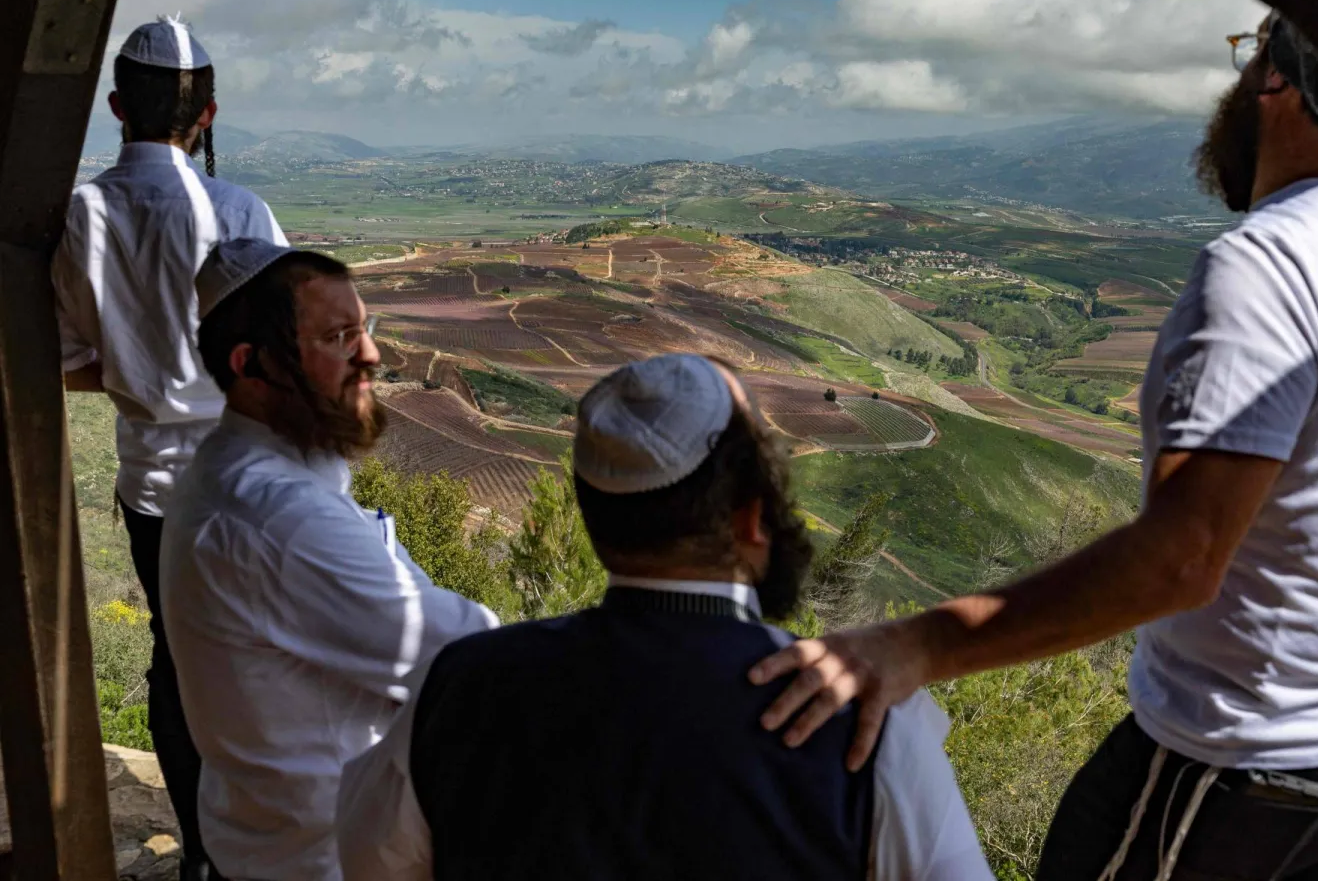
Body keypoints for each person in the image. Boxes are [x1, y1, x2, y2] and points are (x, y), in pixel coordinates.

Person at [749, 9, 1318, 880]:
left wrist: (914, 647)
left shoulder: (1267, 265)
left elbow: (1180, 560)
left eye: (1248, 57)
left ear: (1277, 85)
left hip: (1246, 759)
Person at [335, 353, 992, 881]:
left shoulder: (460, 687)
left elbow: (368, 859)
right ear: (750, 518)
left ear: (593, 520)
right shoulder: (867, 726)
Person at [159, 239, 498, 880]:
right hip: (328, 859)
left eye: (364, 329)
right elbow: (471, 656)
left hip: (280, 838)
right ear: (251, 365)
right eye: (340, 337)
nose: (371, 356)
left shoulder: (254, 469)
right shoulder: (279, 517)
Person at [52, 15, 284, 880]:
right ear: (210, 114)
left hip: (151, 488)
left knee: (174, 660)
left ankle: (199, 850)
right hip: (246, 484)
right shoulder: (239, 210)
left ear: (116, 106)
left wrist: (140, 376)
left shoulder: (82, 213)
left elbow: (69, 360)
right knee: (256, 658)